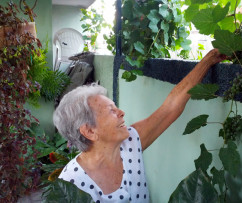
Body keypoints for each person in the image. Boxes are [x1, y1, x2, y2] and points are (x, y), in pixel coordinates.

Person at [53, 49, 226, 202]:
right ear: (90, 131)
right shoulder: (70, 184)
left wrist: (208, 60)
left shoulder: (130, 143)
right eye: (111, 111)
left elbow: (170, 108)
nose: (121, 113)